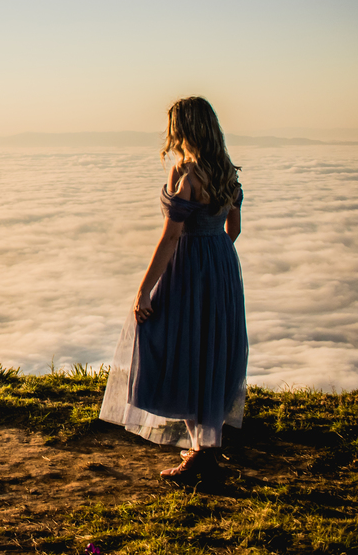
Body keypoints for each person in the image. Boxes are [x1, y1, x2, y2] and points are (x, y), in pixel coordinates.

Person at [99, 96, 247, 481]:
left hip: (188, 268)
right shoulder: (227, 174)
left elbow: (170, 238)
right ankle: (205, 449)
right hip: (222, 267)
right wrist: (215, 258)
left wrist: (144, 290)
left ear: (181, 130)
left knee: (180, 348)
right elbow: (233, 229)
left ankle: (201, 456)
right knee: (211, 352)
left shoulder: (187, 176)